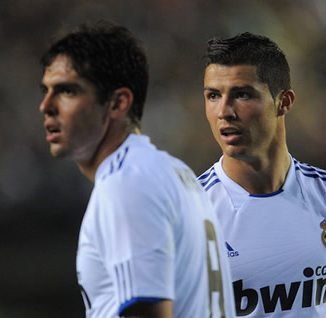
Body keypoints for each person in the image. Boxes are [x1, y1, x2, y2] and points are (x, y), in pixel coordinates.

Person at [39, 21, 235, 318]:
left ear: (118, 103)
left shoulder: (126, 183)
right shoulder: (173, 171)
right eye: (46, 91)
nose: (46, 105)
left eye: (67, 90)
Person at [199, 32, 326, 317]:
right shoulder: (186, 212)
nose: (224, 111)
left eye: (242, 94)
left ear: (284, 102)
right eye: (213, 96)